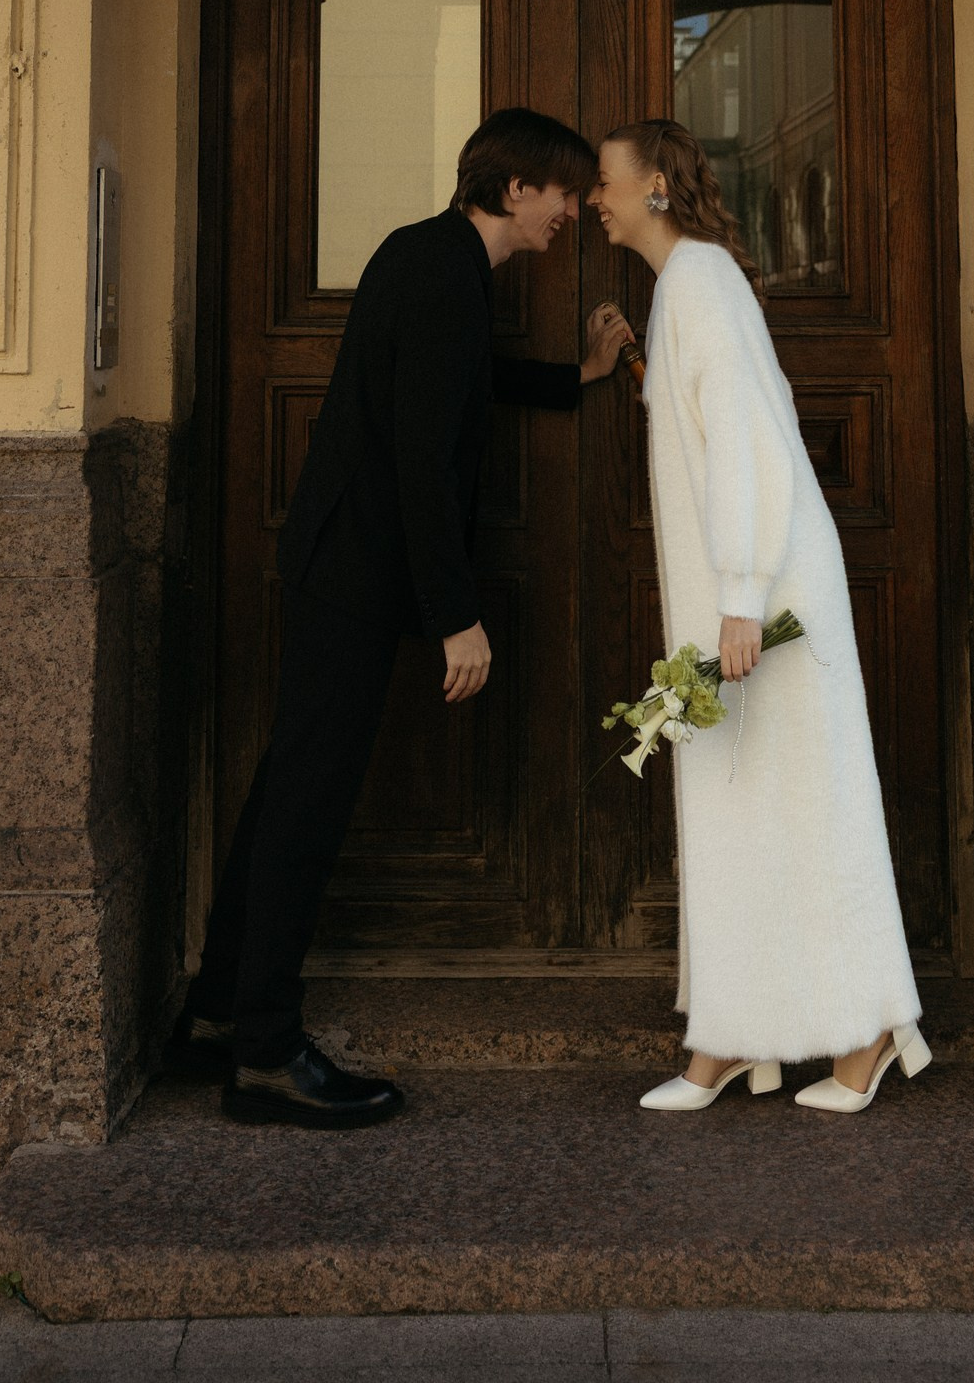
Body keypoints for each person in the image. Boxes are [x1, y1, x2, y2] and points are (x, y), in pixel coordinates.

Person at [176, 107, 634, 1128]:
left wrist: (577, 377)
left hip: (346, 561)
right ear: (515, 189)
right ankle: (262, 1049)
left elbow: (458, 382)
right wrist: (455, 617)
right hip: (356, 570)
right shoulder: (439, 270)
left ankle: (216, 1008)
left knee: (286, 786)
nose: (570, 208)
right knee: (308, 799)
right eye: (561, 190)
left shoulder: (438, 262)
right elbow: (424, 459)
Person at [588, 118, 930, 1115]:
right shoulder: (689, 284)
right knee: (734, 811)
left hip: (766, 600)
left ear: (654, 185)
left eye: (605, 181)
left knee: (807, 813)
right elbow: (714, 423)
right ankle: (733, 1039)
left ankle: (867, 1030)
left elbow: (745, 443)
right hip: (738, 604)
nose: (595, 199)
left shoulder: (697, 281)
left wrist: (740, 595)